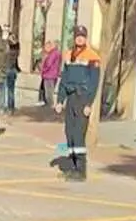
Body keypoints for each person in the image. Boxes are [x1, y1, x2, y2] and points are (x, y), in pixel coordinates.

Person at [53, 25, 101, 181]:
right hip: (71, 98)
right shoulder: (68, 55)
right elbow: (64, 80)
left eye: (82, 36)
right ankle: (72, 166)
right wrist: (60, 100)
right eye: (77, 35)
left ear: (86, 38)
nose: (79, 38)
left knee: (79, 135)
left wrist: (89, 103)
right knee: (69, 133)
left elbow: (94, 83)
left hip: (82, 98)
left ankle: (81, 170)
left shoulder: (92, 56)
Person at [39, 40, 61, 107]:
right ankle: (49, 105)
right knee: (49, 92)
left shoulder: (53, 53)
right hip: (53, 75)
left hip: (49, 75)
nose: (46, 47)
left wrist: (43, 70)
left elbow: (48, 64)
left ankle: (50, 107)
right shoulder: (57, 53)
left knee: (48, 93)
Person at [3, 33, 21, 114]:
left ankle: (3, 107)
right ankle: (11, 107)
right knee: (11, 90)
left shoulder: (7, 46)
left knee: (3, 89)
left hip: (6, 69)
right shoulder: (16, 47)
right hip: (13, 70)